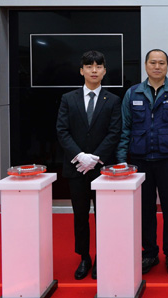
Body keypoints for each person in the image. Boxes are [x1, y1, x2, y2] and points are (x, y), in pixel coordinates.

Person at [116, 49, 168, 276]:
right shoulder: (133, 93)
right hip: (140, 161)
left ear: (167, 66)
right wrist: (121, 160)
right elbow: (125, 128)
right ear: (146, 65)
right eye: (153, 62)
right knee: (145, 210)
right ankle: (149, 252)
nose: (157, 66)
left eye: (161, 63)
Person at [56, 50, 122, 280]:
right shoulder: (68, 98)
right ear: (81, 70)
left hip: (102, 169)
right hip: (76, 168)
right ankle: (84, 257)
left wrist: (95, 158)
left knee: (104, 216)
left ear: (104, 71)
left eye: (98, 66)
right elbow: (62, 131)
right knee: (80, 216)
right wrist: (80, 156)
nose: (94, 70)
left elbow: (114, 132)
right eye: (89, 66)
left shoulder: (113, 100)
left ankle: (103, 256)